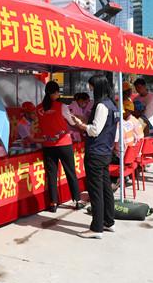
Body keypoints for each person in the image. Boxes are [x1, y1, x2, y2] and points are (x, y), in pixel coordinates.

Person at [72, 75, 119, 239]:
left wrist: (81, 125)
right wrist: (86, 120)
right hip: (105, 151)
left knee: (95, 191)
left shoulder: (101, 105)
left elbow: (94, 130)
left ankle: (96, 228)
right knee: (106, 188)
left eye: (91, 86)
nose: (90, 89)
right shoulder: (112, 105)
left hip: (96, 152)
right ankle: (108, 221)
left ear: (97, 87)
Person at [36, 81, 83, 213]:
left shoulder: (38, 108)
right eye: (58, 92)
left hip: (48, 144)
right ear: (55, 92)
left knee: (51, 175)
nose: (59, 94)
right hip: (63, 143)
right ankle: (77, 200)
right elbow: (71, 122)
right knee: (70, 172)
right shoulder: (61, 106)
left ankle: (53, 203)